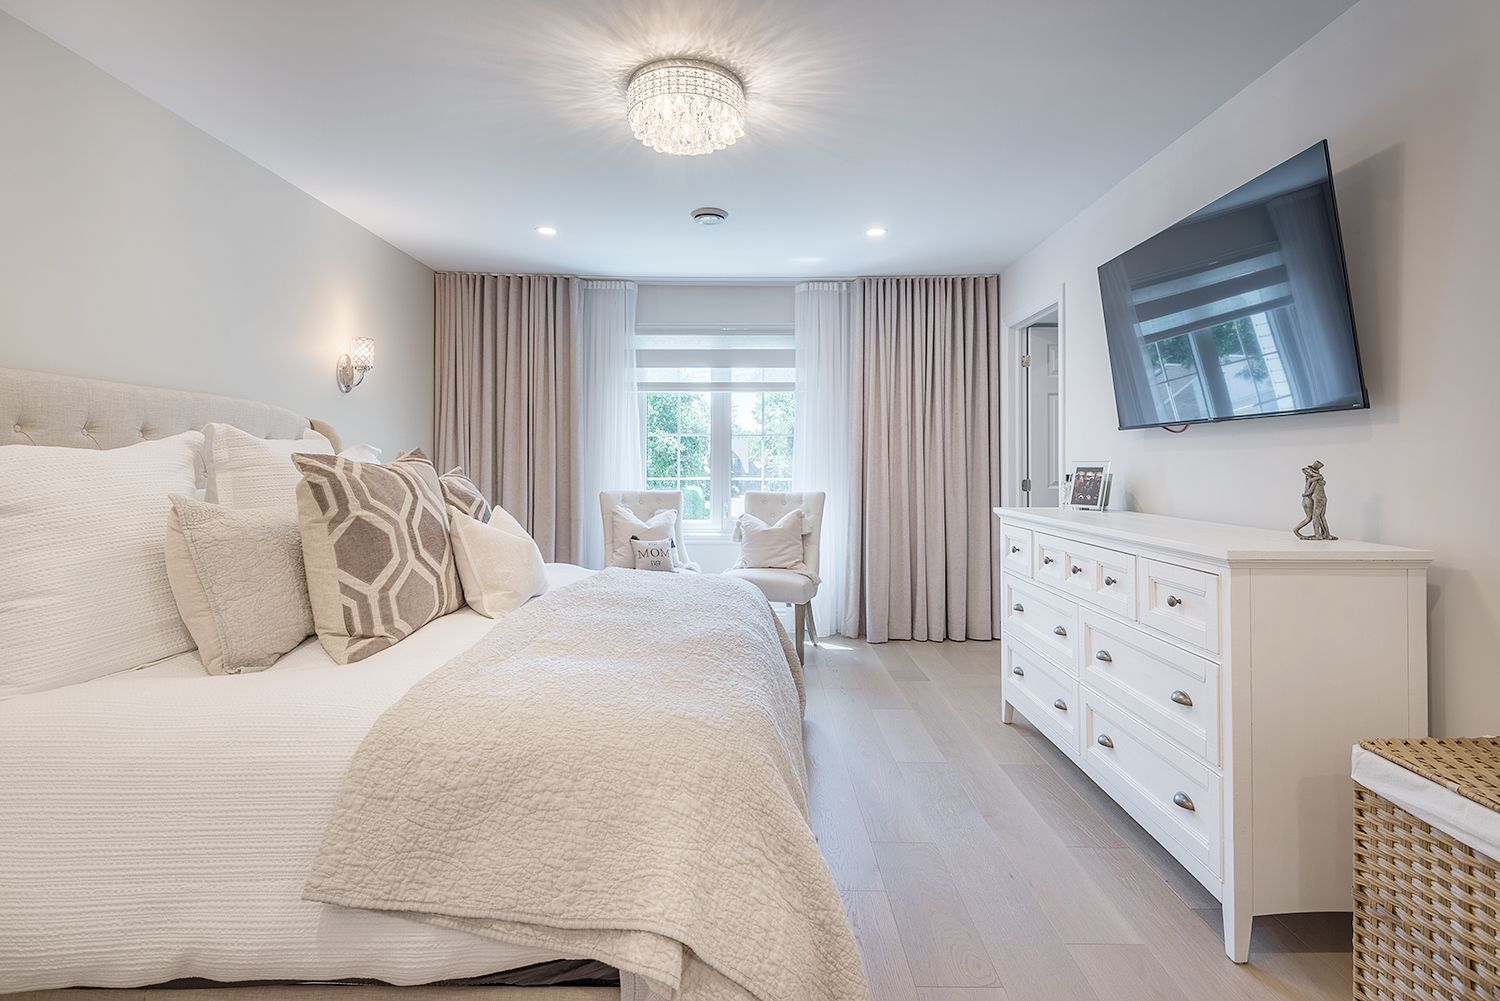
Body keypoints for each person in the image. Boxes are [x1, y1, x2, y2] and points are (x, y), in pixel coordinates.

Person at [1293, 460, 1337, 540]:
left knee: (1316, 516)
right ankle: (1324, 534)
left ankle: (1320, 535)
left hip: (1318, 499)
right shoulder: (1315, 480)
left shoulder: (1315, 480)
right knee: (1320, 516)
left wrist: (1305, 494)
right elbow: (1318, 480)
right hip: (1321, 498)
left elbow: (1309, 491)